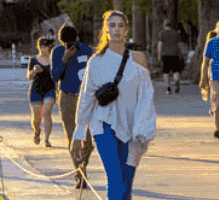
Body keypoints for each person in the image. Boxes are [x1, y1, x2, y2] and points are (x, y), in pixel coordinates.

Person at [72, 10, 159, 198]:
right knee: (115, 179)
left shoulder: (139, 59)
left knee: (126, 187)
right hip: (103, 125)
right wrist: (79, 133)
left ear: (127, 30)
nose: (117, 29)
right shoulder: (96, 62)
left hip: (132, 129)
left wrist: (144, 128)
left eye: (121, 26)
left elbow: (146, 97)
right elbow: (86, 97)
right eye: (112, 25)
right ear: (106, 30)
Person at [55, 23, 91, 180]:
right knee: (72, 137)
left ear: (77, 39)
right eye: (65, 42)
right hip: (67, 97)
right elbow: (54, 76)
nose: (69, 45)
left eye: (71, 42)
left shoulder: (86, 50)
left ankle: (83, 164)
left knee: (88, 141)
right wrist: (64, 59)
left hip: (85, 98)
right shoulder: (58, 52)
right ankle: (79, 173)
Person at [27, 36, 60, 147]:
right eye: (41, 47)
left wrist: (58, 91)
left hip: (49, 89)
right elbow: (29, 76)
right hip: (36, 90)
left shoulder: (53, 60)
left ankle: (47, 139)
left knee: (46, 113)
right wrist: (34, 71)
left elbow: (56, 77)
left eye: (45, 47)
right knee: (37, 117)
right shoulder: (34, 60)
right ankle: (37, 132)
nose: (43, 49)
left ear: (49, 48)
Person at [154, 22, 186, 94]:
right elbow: (179, 44)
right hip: (175, 54)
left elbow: (160, 44)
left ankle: (168, 88)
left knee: (166, 72)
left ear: (164, 25)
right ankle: (176, 80)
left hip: (165, 55)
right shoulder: (175, 33)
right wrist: (181, 54)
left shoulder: (161, 33)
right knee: (176, 71)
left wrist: (159, 55)